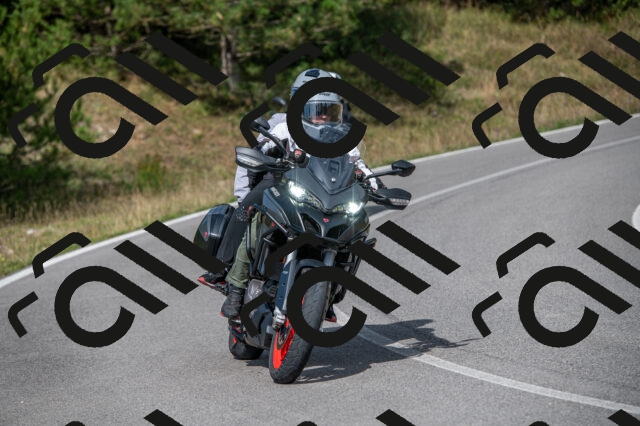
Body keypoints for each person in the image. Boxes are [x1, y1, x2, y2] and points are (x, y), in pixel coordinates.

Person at [218, 68, 382, 321]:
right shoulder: (285, 128)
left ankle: (326, 294)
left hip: (325, 195)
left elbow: (358, 163)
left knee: (353, 230)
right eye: (318, 110)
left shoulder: (342, 136)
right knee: (256, 217)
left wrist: (375, 184)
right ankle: (236, 288)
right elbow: (260, 150)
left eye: (329, 110)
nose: (323, 116)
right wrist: (257, 167)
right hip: (288, 188)